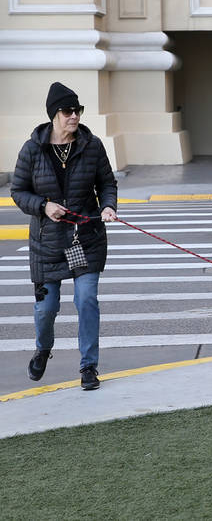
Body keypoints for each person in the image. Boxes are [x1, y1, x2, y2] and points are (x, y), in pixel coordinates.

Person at [11, 82, 118, 390]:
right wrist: (43, 206)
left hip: (84, 239)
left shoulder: (91, 145)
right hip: (47, 244)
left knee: (86, 299)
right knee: (47, 308)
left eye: (77, 110)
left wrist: (108, 206)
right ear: (54, 115)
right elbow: (18, 191)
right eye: (68, 111)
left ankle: (88, 367)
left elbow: (107, 183)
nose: (74, 116)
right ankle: (43, 349)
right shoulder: (32, 149)